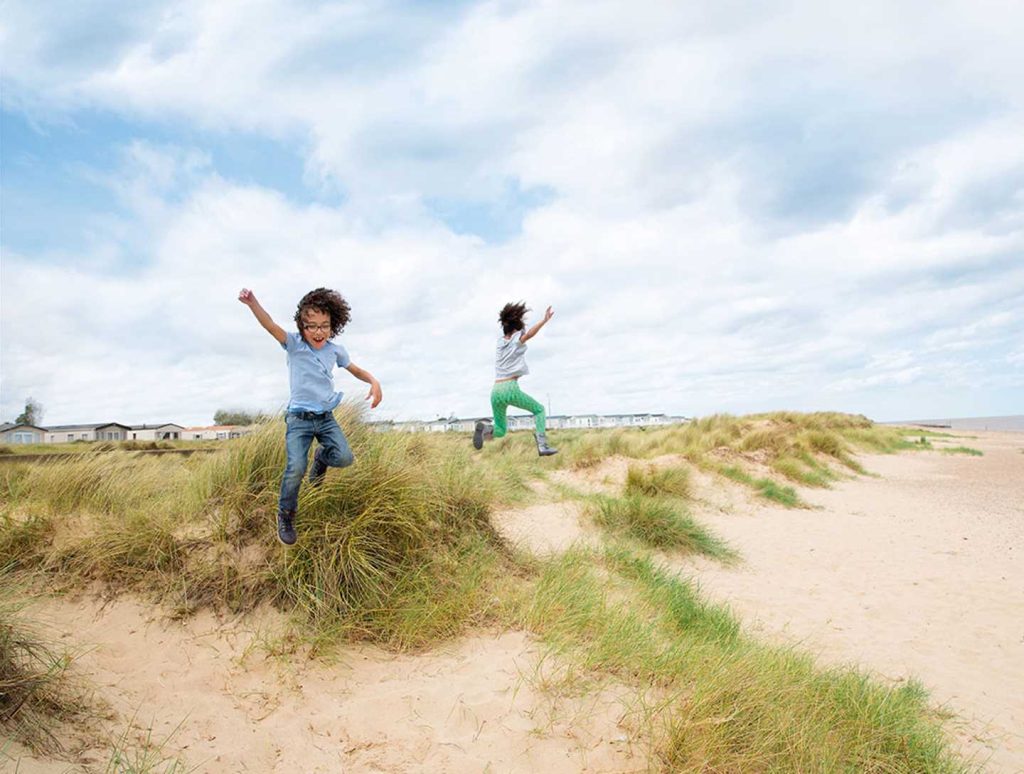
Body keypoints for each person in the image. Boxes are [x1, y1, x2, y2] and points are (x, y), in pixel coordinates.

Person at [238, 287, 382, 545]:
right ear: (301, 326)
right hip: (299, 420)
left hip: (325, 418)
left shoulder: (335, 351)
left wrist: (373, 380)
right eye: (311, 326)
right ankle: (286, 515)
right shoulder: (294, 344)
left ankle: (321, 459)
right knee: (296, 468)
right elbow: (269, 325)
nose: (318, 332)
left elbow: (356, 370)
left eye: (324, 326)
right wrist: (253, 304)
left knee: (345, 457)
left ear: (333, 326)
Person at [474, 302, 557, 456]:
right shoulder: (516, 339)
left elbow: (517, 333)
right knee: (539, 410)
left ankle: (486, 428)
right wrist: (544, 320)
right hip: (509, 388)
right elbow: (529, 334)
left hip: (495, 391)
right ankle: (543, 446)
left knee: (500, 430)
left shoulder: (500, 343)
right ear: (516, 327)